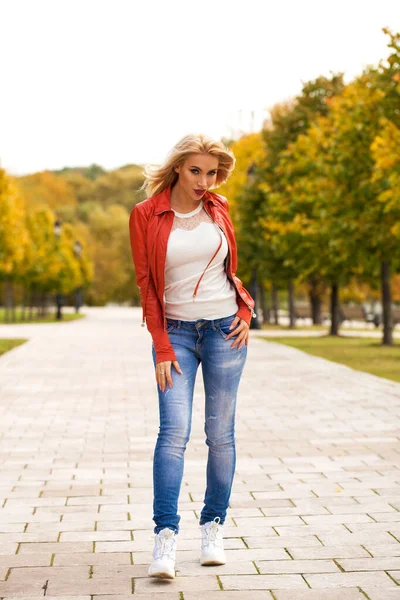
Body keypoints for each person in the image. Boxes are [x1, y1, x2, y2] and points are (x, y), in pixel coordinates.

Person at [129, 133, 256, 579]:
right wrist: (161, 344)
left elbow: (230, 270)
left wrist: (246, 309)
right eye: (197, 170)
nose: (205, 180)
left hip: (225, 331)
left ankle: (213, 526)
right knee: (173, 433)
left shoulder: (218, 208)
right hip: (176, 335)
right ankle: (165, 537)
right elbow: (146, 284)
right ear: (179, 167)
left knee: (221, 435)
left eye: (212, 172)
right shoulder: (146, 215)